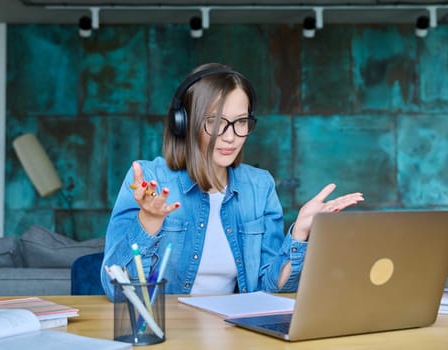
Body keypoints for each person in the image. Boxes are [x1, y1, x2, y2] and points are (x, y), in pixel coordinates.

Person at [101, 63, 364, 301]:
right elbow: (117, 292)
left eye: (241, 122)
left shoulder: (259, 186)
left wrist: (300, 232)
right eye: (215, 122)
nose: (231, 137)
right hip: (168, 331)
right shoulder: (150, 180)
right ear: (184, 123)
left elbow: (269, 289)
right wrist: (148, 222)